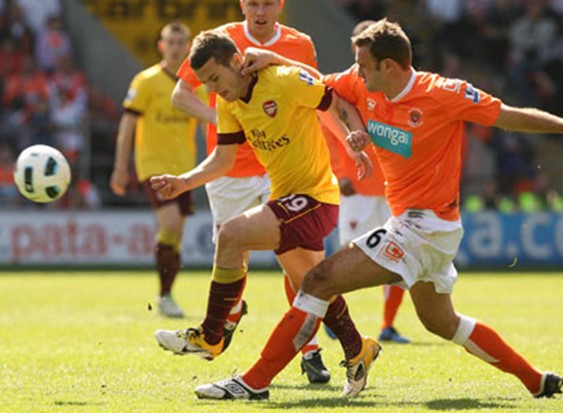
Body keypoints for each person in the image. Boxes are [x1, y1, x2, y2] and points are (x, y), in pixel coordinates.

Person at [194, 19, 563, 400]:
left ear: (389, 66)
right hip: (416, 227)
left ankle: (253, 383)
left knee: (318, 280)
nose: (356, 72)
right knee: (443, 323)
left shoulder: (441, 93)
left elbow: (508, 116)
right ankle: (536, 381)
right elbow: (321, 85)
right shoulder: (364, 86)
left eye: (363, 65)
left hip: (425, 227)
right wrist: (273, 57)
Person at [150, 30, 378, 400]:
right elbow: (223, 159)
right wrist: (183, 182)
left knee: (232, 235)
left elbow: (333, 98)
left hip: (317, 198)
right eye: (206, 84)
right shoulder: (229, 103)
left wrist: (355, 135)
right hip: (288, 199)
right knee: (312, 288)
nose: (214, 89)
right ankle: (358, 349)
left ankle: (212, 335)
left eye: (216, 79)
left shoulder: (284, 82)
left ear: (237, 62)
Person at [170, 0, 331, 383]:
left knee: (297, 261)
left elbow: (319, 90)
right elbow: (180, 94)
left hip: (282, 168)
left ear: (280, 5)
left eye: (267, 2)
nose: (260, 10)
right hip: (229, 168)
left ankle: (311, 351)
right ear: (243, 4)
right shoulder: (221, 40)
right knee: (231, 251)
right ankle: (226, 319)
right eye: (252, 2)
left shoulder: (299, 43)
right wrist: (226, 118)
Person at [109, 22, 206, 318]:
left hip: (184, 170)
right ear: (161, 46)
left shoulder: (195, 85)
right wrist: (120, 167)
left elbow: (208, 125)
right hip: (152, 166)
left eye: (181, 42)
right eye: (171, 42)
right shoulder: (146, 80)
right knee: (171, 224)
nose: (176, 47)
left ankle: (166, 293)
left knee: (175, 235)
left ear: (189, 47)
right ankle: (165, 295)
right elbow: (127, 124)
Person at [326, 19, 410, 344]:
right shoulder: (347, 84)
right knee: (350, 254)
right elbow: (329, 133)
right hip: (357, 185)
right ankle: (331, 315)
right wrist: (341, 173)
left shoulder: (390, 82)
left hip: (392, 187)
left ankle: (388, 325)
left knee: (398, 253)